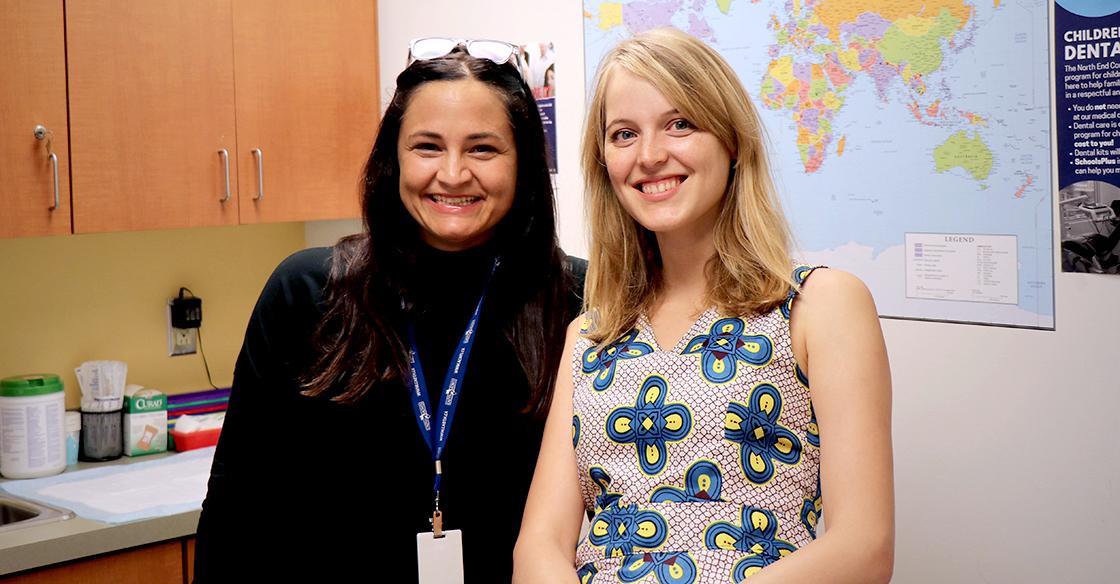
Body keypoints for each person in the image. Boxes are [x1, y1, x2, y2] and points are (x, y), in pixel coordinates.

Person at [194, 38, 584, 582]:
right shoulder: (307, 293)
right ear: (392, 159)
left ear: (523, 165)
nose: (452, 173)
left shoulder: (578, 304)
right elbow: (237, 514)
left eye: (483, 149)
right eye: (427, 146)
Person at [514, 28, 893, 583]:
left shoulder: (820, 305)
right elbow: (538, 547)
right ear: (604, 164)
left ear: (732, 141)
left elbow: (865, 548)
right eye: (623, 134)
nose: (649, 156)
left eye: (680, 124)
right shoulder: (589, 336)